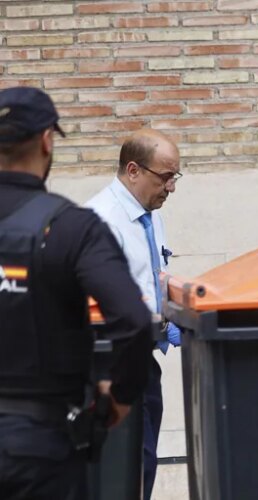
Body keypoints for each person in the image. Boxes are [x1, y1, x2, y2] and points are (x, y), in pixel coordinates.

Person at [0, 86, 152, 499]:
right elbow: (134, 321)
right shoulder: (72, 227)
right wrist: (118, 398)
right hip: (40, 448)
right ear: (48, 140)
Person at [86, 129, 182, 500]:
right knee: (125, 469)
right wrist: (163, 325)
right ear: (133, 170)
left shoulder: (149, 213)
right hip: (112, 365)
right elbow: (105, 300)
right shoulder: (100, 222)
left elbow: (149, 277)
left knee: (143, 462)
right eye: (166, 176)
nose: (171, 187)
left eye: (176, 176)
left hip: (143, 359)